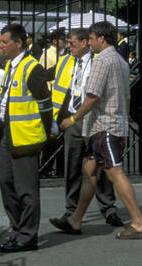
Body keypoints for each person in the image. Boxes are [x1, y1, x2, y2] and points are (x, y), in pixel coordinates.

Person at [54, 20, 142, 239]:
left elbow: (92, 96)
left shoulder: (101, 61)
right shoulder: (121, 61)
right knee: (89, 171)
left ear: (101, 38)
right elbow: (126, 98)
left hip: (102, 126)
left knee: (115, 173)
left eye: (91, 38)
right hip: (113, 125)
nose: (89, 42)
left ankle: (138, 222)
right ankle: (75, 220)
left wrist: (73, 118)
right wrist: (124, 129)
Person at [51, 29, 121, 228]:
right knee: (72, 167)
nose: (68, 46)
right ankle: (71, 210)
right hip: (72, 119)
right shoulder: (65, 61)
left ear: (84, 43)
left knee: (100, 165)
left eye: (72, 43)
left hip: (94, 119)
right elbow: (57, 87)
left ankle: (108, 208)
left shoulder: (99, 61)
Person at [0, 23, 54, 253]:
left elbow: (45, 104)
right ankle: (17, 229)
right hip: (8, 135)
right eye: (0, 41)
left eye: (5, 42)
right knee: (6, 183)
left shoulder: (32, 68)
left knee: (26, 190)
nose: (1, 45)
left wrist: (46, 132)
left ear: (19, 43)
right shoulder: (10, 65)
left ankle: (27, 237)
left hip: (26, 138)